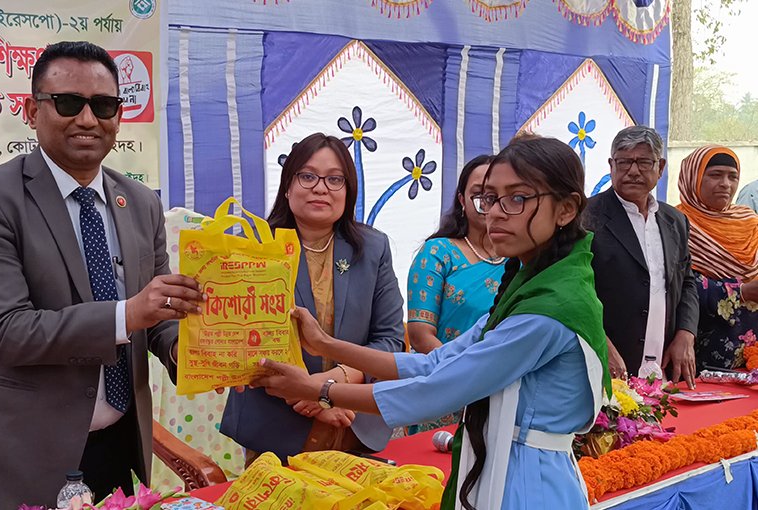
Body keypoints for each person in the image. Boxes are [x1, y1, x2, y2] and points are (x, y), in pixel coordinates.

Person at [252, 137, 610, 510]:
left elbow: (436, 387)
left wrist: (319, 389)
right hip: (501, 466)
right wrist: (325, 344)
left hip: (527, 484)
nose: (496, 213)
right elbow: (433, 362)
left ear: (566, 209)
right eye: (489, 198)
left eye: (517, 198)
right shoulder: (532, 287)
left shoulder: (548, 307)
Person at [0, 42, 204, 510]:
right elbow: (6, 332)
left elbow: (157, 317)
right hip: (12, 456)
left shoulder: (141, 202)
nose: (87, 119)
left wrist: (196, 353)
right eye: (68, 103)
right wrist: (128, 314)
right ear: (31, 110)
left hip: (116, 451)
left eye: (103, 105)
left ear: (119, 115)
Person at [220, 133, 405, 463]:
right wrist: (308, 397)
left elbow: (390, 340)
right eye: (308, 176)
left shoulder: (374, 248)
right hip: (275, 430)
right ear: (287, 186)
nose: (321, 188)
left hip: (353, 423)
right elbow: (242, 345)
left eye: (334, 179)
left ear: (348, 191)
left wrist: (331, 386)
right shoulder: (254, 247)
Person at [583, 126, 699, 386]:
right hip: (605, 367)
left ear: (660, 167)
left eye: (644, 162)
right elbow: (573, 291)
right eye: (624, 162)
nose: (633, 171)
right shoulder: (585, 218)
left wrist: (686, 332)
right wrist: (599, 343)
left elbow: (687, 281)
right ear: (611, 165)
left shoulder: (675, 220)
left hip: (664, 369)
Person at [406, 155, 504, 433]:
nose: (488, 204)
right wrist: (464, 376)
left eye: (497, 196)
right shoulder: (438, 253)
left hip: (504, 390)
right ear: (462, 200)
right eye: (479, 195)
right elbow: (420, 335)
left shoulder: (522, 260)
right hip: (445, 389)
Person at [676, 146, 758, 370]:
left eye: (733, 177)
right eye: (715, 175)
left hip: (751, 357)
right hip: (699, 353)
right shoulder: (675, 223)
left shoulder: (749, 221)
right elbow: (677, 285)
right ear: (692, 178)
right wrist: (741, 291)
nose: (725, 184)